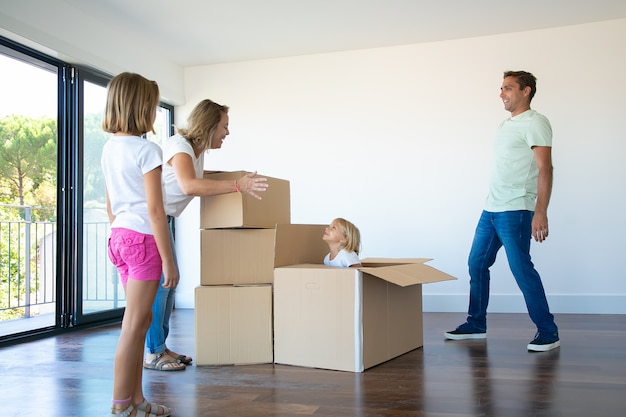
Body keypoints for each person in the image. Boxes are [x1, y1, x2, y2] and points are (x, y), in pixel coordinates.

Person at [143, 99, 269, 371]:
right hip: (150, 221)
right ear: (210, 125)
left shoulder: (193, 153)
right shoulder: (180, 146)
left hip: (163, 220)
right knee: (163, 285)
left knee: (170, 285)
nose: (227, 132)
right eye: (224, 126)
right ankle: (153, 352)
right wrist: (237, 185)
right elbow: (189, 185)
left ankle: (160, 348)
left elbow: (198, 175)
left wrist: (235, 175)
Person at [444, 70, 560, 352]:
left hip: (516, 209)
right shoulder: (505, 125)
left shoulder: (536, 122)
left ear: (526, 91)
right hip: (491, 208)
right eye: (501, 88)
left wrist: (540, 211)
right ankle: (476, 323)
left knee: (521, 269)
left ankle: (548, 331)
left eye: (508, 88)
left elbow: (546, 168)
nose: (502, 94)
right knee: (476, 264)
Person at [101, 72, 175, 416]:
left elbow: (110, 206)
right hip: (143, 240)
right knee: (133, 326)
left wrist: (123, 233)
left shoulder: (109, 148)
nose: (156, 112)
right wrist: (169, 260)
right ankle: (120, 407)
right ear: (141, 107)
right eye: (154, 105)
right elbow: (156, 211)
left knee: (139, 322)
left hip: (119, 237)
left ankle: (137, 401)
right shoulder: (147, 149)